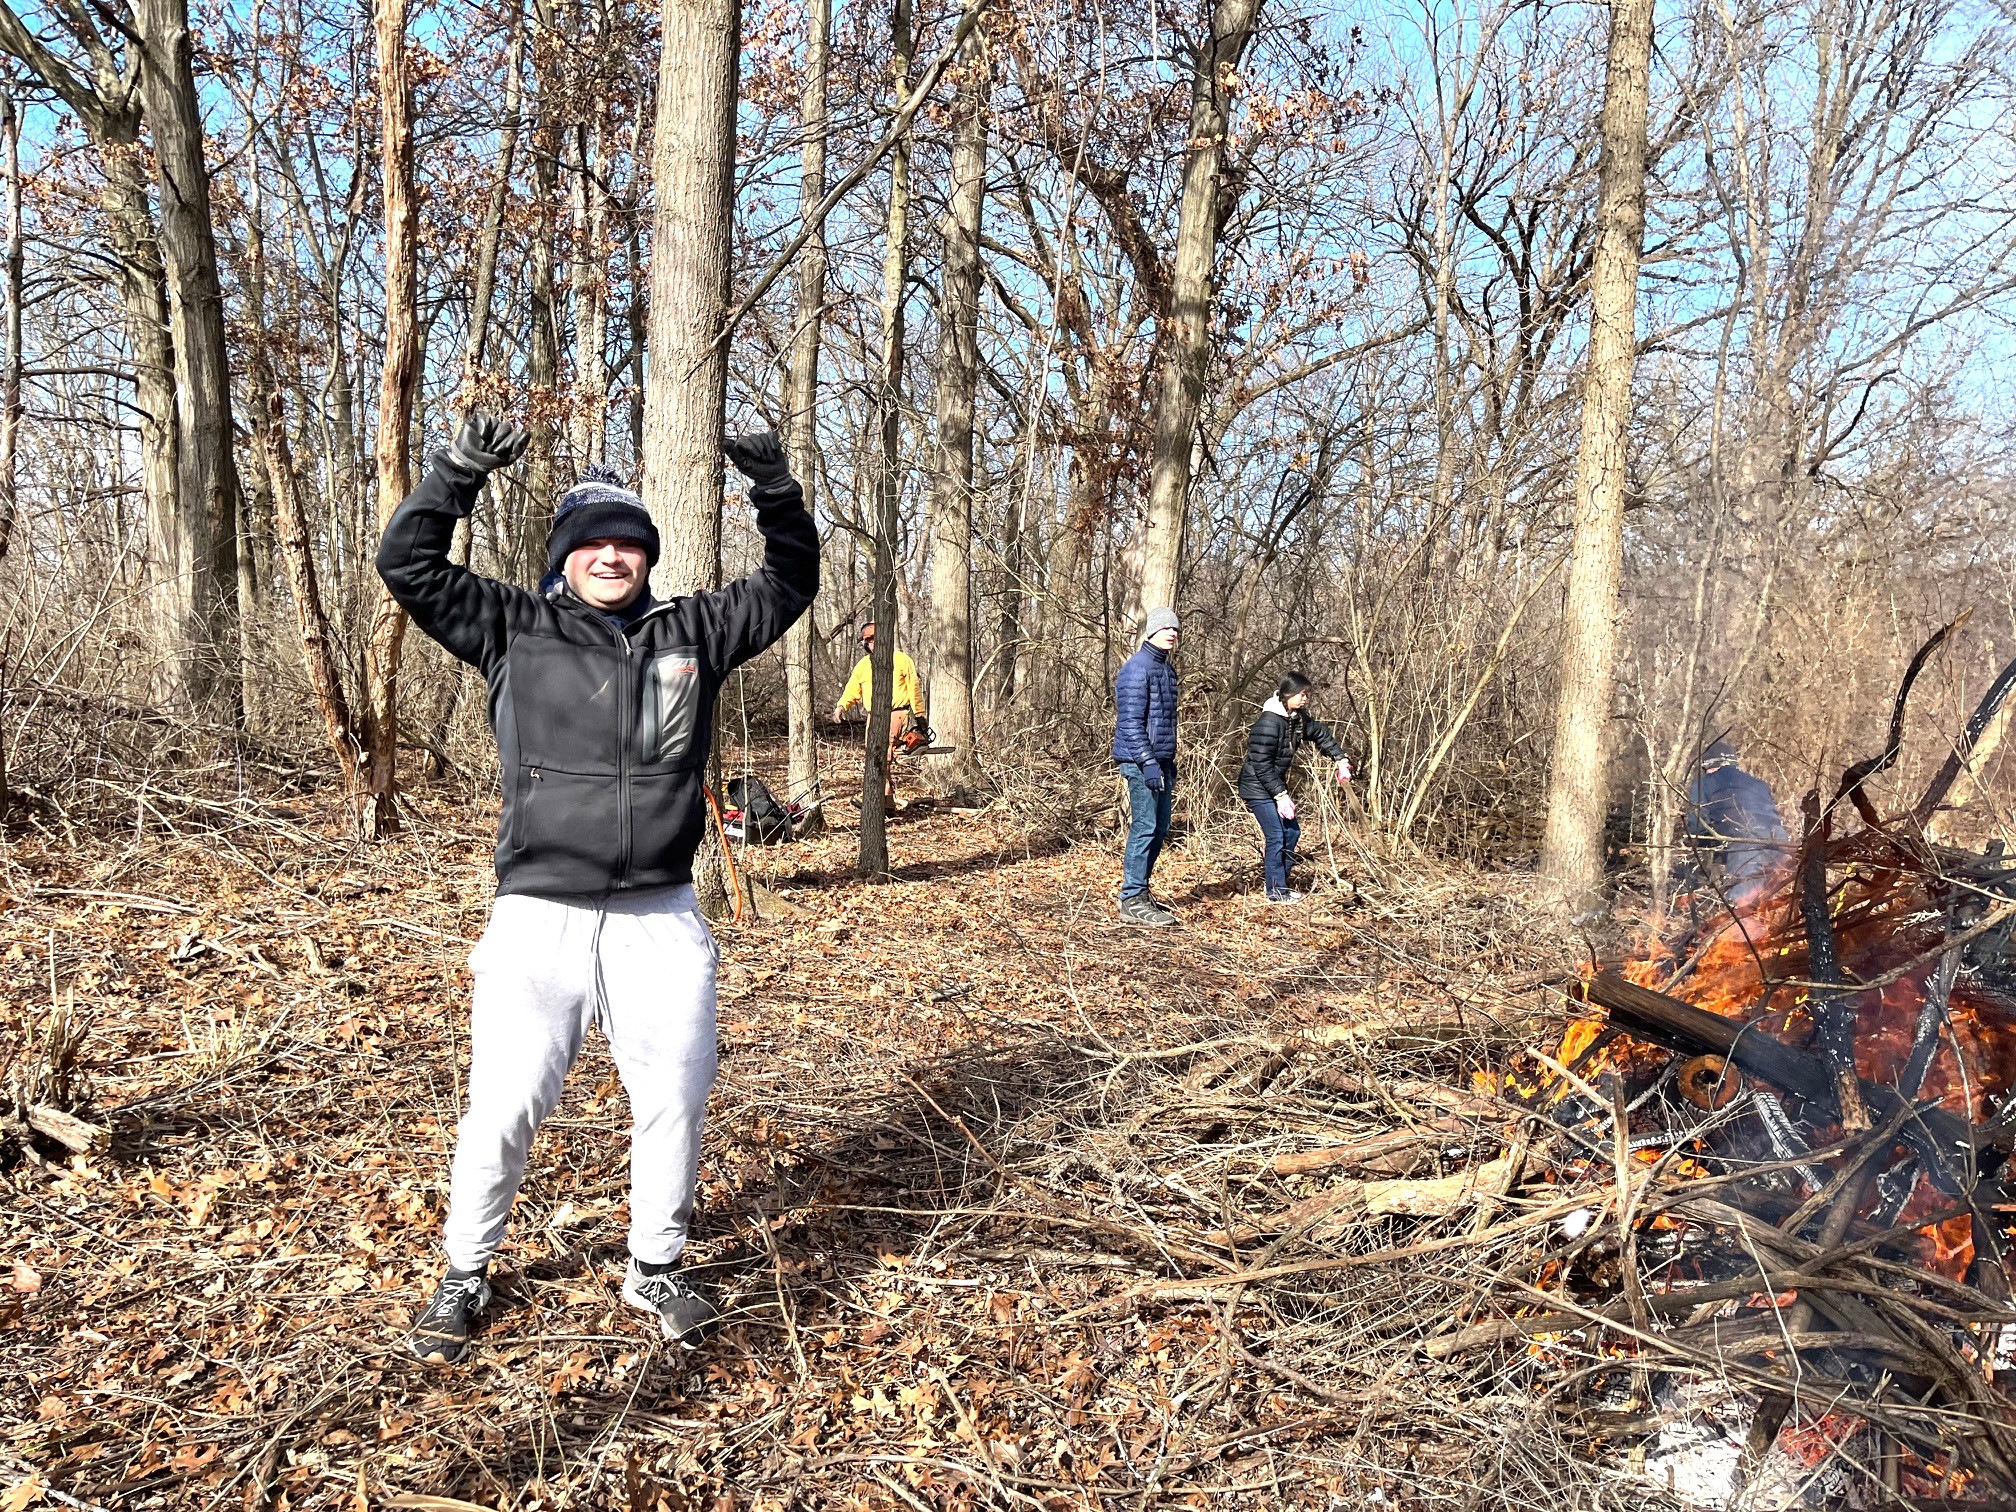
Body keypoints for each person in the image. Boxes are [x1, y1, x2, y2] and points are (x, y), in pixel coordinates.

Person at [375, 415, 817, 1365]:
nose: (611, 556)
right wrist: (454, 474)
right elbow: (406, 564)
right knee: (504, 1104)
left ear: (648, 558)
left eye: (628, 543)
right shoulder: (511, 628)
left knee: (675, 1098)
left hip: (659, 916)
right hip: (538, 916)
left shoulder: (691, 632)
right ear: (564, 559)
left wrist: (775, 488)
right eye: (592, 543)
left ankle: (654, 1266)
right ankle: (464, 1270)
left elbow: (790, 583)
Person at [1238, 671, 1352, 903]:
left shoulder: (1297, 719)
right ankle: (1276, 891)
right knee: (1276, 835)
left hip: (1273, 786)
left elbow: (1320, 734)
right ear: (1285, 694)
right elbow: (1261, 765)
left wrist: (1340, 759)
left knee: (1292, 832)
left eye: (1307, 695)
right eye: (1301, 694)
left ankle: (1281, 882)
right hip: (1257, 787)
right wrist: (1281, 796)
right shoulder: (1268, 723)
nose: (1305, 699)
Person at [1112, 607, 1181, 926]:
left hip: (1160, 763)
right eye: (1165, 627)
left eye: (1176, 628)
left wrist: (1167, 762)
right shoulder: (1137, 669)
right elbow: (1130, 724)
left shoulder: (1167, 671)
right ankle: (1131, 898)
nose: (1172, 632)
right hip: (1140, 762)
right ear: (1150, 631)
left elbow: (1164, 723)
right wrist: (1149, 762)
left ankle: (1141, 891)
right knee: (1145, 826)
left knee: (1161, 826)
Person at [1682, 738, 1789, 901]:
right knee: (1769, 904)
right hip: (1780, 843)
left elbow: (1697, 827)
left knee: (1741, 905)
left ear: (1707, 765)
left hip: (1746, 843)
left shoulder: (1704, 783)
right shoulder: (1758, 783)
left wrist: (1701, 843)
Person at [833, 621, 925, 811]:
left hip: (895, 713)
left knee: (881, 756)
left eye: (875, 639)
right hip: (873, 716)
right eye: (869, 641)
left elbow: (914, 689)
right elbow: (852, 689)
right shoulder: (863, 665)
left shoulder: (901, 660)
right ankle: (887, 803)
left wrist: (920, 716)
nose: (873, 643)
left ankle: (874, 800)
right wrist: (841, 706)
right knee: (874, 756)